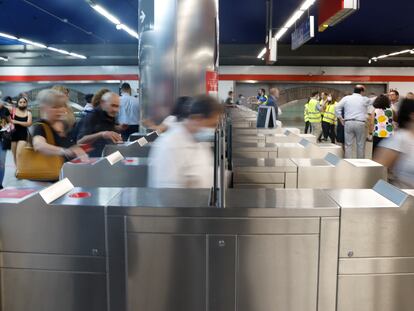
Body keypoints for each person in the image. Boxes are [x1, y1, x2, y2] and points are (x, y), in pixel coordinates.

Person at [148, 95, 223, 188]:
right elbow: (167, 193)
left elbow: (206, 173)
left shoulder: (200, 142)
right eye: (212, 125)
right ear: (197, 118)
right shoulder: (168, 145)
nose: (213, 129)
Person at [30, 89, 86, 161]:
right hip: (49, 171)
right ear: (44, 108)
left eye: (62, 106)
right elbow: (39, 145)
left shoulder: (65, 125)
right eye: (55, 107)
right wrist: (64, 151)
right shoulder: (41, 126)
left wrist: (76, 149)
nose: (60, 110)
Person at [374, 98, 414, 188]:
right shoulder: (399, 139)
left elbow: (372, 120)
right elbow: (377, 170)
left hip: (379, 132)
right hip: (406, 196)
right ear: (412, 115)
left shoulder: (377, 110)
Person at [77, 92, 122, 157]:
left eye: (117, 106)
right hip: (90, 159)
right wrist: (101, 134)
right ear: (103, 103)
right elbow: (80, 141)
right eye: (113, 105)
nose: (116, 109)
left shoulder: (110, 115)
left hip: (105, 156)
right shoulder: (92, 116)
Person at [336, 85, 372, 158]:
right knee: (360, 144)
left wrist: (340, 118)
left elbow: (337, 107)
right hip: (360, 123)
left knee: (348, 145)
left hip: (348, 122)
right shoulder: (364, 99)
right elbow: (374, 100)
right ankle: (360, 162)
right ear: (362, 91)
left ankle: (348, 162)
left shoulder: (346, 98)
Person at [9, 96, 32, 163]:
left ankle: (19, 169)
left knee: (19, 154)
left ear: (26, 103)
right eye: (20, 102)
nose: (22, 103)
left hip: (23, 135)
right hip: (13, 134)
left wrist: (16, 122)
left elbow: (29, 123)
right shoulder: (13, 110)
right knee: (14, 154)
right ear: (18, 103)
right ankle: (17, 169)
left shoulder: (28, 113)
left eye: (24, 102)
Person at [0, 100, 11, 188]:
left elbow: (10, 122)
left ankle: (0, 185)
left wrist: (6, 128)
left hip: (3, 139)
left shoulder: (5, 110)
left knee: (1, 163)